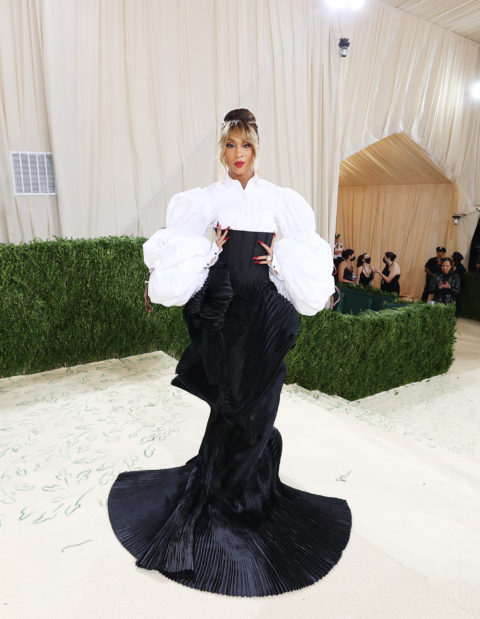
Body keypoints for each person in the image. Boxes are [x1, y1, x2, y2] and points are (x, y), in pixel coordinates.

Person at [107, 109, 351, 597]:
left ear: (256, 151)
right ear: (221, 150)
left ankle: (248, 490)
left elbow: (305, 261)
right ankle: (222, 494)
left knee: (260, 408)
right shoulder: (203, 202)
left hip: (264, 316)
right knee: (230, 406)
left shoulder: (282, 201)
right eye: (229, 146)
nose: (237, 156)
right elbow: (181, 256)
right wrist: (202, 258)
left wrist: (286, 265)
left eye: (245, 147)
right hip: (222, 318)